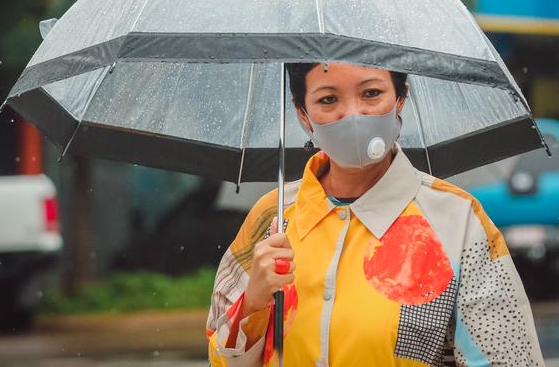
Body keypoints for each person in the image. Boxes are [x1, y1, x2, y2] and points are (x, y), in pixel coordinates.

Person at [206, 62, 544, 366]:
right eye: (328, 99)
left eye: (371, 93)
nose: (353, 115)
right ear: (302, 114)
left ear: (400, 99)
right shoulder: (272, 219)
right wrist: (253, 304)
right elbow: (220, 359)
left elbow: (509, 360)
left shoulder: (456, 221)